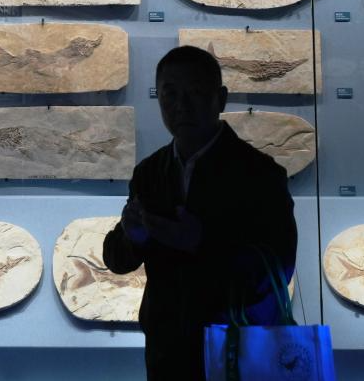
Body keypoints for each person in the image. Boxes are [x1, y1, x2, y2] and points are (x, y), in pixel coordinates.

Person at [104, 45, 297, 381]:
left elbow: (279, 267)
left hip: (238, 347)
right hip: (167, 350)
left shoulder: (259, 174)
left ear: (220, 98)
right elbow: (117, 260)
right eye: (170, 94)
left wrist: (202, 242)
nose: (182, 105)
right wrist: (133, 239)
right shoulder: (150, 172)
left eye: (195, 92)